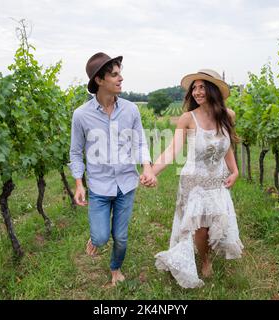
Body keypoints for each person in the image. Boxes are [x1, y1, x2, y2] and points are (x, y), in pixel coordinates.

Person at [69, 52, 156, 286]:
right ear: (99, 80)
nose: (121, 79)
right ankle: (96, 239)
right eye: (115, 75)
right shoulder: (81, 115)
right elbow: (76, 152)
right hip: (98, 185)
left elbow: (139, 142)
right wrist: (79, 183)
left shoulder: (131, 110)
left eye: (120, 73)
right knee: (100, 235)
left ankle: (115, 268)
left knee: (121, 237)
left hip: (126, 183)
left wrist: (146, 167)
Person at [152, 69, 243, 288]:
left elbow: (226, 146)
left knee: (215, 223)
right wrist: (151, 172)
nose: (197, 91)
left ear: (213, 90)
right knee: (201, 227)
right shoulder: (187, 119)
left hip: (217, 182)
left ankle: (207, 252)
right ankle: (205, 260)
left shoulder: (228, 115)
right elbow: (173, 150)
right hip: (194, 183)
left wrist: (235, 171)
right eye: (194, 87)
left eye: (202, 87)